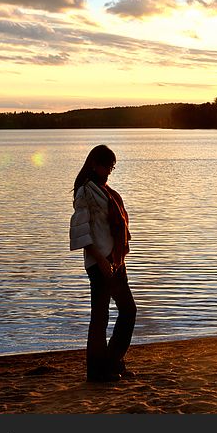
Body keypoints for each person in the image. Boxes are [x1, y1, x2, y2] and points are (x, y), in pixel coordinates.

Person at [70, 144, 136, 382]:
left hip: (115, 261)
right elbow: (81, 232)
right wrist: (100, 260)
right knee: (100, 317)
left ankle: (112, 361)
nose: (109, 170)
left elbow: (116, 229)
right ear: (94, 164)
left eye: (112, 166)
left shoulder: (107, 192)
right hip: (100, 264)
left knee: (128, 311)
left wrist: (117, 259)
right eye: (106, 165)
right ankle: (98, 373)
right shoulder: (85, 192)